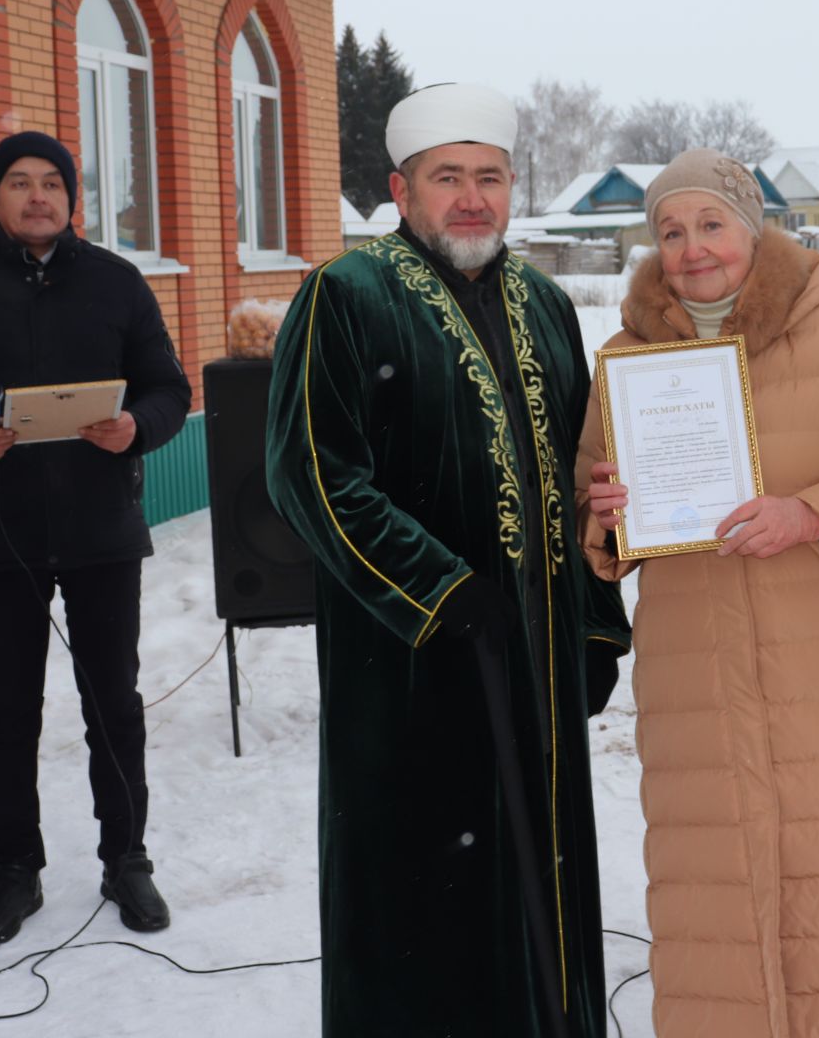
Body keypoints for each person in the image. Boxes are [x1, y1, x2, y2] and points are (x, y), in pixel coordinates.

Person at [580, 150, 819, 1038]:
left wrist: (815, 513)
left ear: (752, 232)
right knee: (721, 918)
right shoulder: (625, 361)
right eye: (671, 232)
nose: (692, 249)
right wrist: (605, 518)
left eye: (710, 225)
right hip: (701, 693)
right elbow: (595, 520)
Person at [266, 83, 631, 1037]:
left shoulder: (547, 303)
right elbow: (311, 472)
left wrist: (593, 625)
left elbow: (589, 464)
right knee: (422, 897)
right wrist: (437, 589)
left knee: (539, 880)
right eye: (447, 179)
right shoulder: (345, 296)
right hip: (410, 668)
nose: (471, 198)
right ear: (401, 188)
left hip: (538, 655)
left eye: (490, 178)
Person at [0, 131, 192, 943]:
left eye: (51, 182)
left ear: (71, 197)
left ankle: (128, 861)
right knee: (9, 712)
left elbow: (170, 387)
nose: (36, 196)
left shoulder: (117, 282)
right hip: (0, 534)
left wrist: (136, 427)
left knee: (114, 706)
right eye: (18, 183)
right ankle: (15, 873)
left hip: (103, 530)